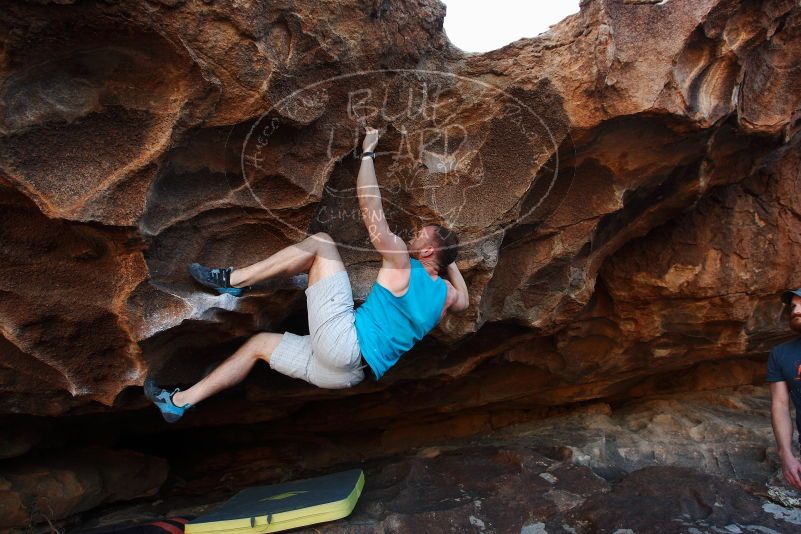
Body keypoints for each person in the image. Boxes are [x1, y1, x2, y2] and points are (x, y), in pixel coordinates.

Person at [144, 127, 470, 422]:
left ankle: (233, 281)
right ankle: (179, 401)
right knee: (257, 345)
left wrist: (368, 151)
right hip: (347, 374)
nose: (414, 236)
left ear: (427, 253)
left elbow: (370, 205)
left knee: (322, 244)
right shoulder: (447, 297)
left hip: (345, 344)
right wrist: (447, 259)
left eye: (422, 236)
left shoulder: (402, 261)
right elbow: (465, 301)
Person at [767, 288, 801, 490]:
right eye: (794, 305)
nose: (795, 309)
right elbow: (779, 405)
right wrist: (785, 454)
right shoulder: (780, 354)